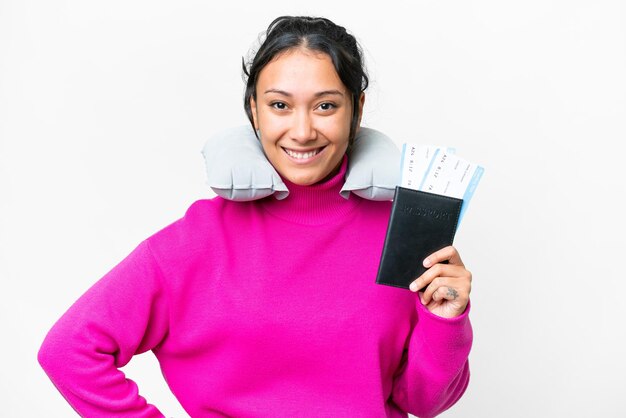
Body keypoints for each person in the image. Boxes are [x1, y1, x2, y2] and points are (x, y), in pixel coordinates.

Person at [38, 15, 473, 417]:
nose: (302, 131)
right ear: (254, 112)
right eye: (280, 105)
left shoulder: (402, 235)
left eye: (325, 106)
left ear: (356, 110)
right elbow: (69, 351)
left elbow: (424, 401)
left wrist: (446, 320)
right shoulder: (197, 242)